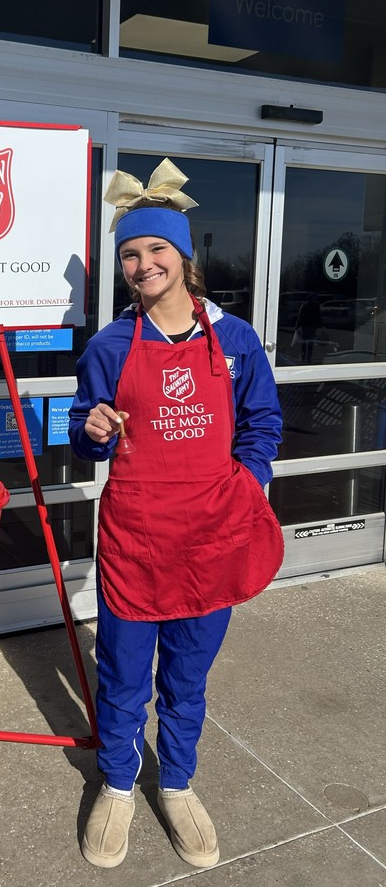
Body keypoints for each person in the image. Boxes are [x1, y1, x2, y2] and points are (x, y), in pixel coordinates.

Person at [68, 159, 284, 871]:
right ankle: (121, 787)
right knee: (124, 676)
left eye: (155, 249)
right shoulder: (108, 345)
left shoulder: (236, 340)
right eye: (130, 253)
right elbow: (81, 426)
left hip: (211, 541)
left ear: (184, 258)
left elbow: (263, 424)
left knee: (187, 680)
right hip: (135, 541)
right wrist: (89, 428)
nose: (141, 263)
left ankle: (180, 784)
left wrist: (244, 488)